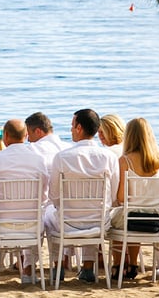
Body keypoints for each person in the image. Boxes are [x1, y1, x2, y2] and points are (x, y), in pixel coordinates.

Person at [43, 109, 119, 284]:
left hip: (67, 223)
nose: (70, 130)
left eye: (72, 126)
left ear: (79, 128)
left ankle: (58, 265)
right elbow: (113, 194)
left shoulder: (62, 157)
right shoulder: (109, 157)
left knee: (48, 213)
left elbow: (54, 195)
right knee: (93, 212)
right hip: (98, 222)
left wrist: (62, 206)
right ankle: (87, 267)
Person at [0, 119, 52, 284]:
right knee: (39, 220)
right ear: (26, 135)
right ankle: (28, 269)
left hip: (0, 225)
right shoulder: (39, 160)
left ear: (5, 136)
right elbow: (43, 197)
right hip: (31, 224)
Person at [107, 117, 159, 280]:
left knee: (116, 218)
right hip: (156, 217)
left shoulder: (124, 160)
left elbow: (121, 197)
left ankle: (118, 265)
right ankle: (133, 263)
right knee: (135, 213)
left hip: (131, 217)